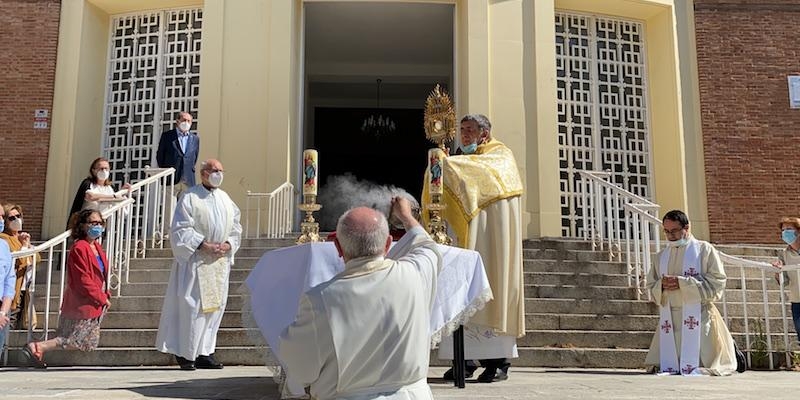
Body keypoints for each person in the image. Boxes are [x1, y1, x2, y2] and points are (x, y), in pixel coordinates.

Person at [278, 197, 441, 399]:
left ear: (337, 246)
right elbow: (427, 247)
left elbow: (300, 368)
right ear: (388, 243)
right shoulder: (415, 274)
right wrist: (406, 216)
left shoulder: (319, 300)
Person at [424, 114, 524, 382]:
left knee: (495, 288)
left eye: (470, 130)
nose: (464, 134)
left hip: (492, 238)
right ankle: (464, 360)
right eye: (462, 130)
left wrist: (449, 163)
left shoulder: (500, 155)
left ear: (485, 133)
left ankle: (498, 363)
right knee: (461, 293)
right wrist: (442, 162)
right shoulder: (459, 157)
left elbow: (474, 174)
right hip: (467, 236)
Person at [155, 158, 241, 370]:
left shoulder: (225, 198)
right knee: (192, 307)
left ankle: (205, 352)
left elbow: (236, 227)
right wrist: (202, 244)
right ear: (203, 173)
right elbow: (181, 228)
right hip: (196, 261)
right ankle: (186, 353)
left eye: (221, 170)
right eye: (214, 170)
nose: (219, 174)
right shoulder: (190, 196)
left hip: (218, 263)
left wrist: (228, 245)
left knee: (214, 308)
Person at [644, 210, 737, 375]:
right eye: (666, 231)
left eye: (674, 231)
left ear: (686, 228)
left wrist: (683, 283)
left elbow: (718, 281)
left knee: (701, 363)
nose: (670, 235)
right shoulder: (661, 256)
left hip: (698, 315)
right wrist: (662, 285)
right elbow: (651, 284)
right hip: (670, 317)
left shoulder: (704, 250)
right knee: (667, 363)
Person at [22, 209, 111, 368]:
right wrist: (100, 297)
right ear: (83, 226)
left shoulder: (97, 247)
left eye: (100, 223)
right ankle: (38, 346)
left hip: (95, 301)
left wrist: (105, 295)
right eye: (93, 223)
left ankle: (39, 347)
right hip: (82, 301)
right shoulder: (80, 247)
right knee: (76, 339)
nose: (97, 226)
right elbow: (83, 279)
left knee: (86, 341)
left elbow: (102, 274)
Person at [0, 204, 39, 330]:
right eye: (11, 218)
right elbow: (20, 260)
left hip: (23, 287)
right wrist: (24, 247)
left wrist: (27, 244)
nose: (16, 220)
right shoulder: (4, 238)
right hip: (13, 288)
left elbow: (37, 258)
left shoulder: (20, 237)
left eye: (18, 216)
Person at [67, 157, 130, 222]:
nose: (104, 171)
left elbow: (117, 199)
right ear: (93, 170)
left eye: (106, 168)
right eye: (101, 168)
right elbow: (91, 196)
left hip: (105, 224)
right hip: (88, 222)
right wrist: (112, 196)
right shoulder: (88, 183)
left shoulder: (110, 188)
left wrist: (122, 192)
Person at [156, 111, 200, 195]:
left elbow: (194, 157)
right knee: (169, 207)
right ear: (177, 121)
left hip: (188, 180)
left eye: (189, 121)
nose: (186, 123)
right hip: (171, 180)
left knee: (186, 207)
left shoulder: (195, 139)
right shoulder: (167, 136)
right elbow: (160, 156)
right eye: (184, 120)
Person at [773, 217, 800, 344]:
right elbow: (784, 281)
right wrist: (778, 271)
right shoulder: (783, 255)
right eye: (783, 230)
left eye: (789, 229)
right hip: (797, 300)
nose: (785, 233)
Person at [0, 205, 13, 360]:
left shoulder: (4, 246)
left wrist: (3, 311)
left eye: (3, 217)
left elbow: (10, 279)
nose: (1, 220)